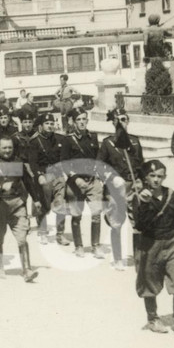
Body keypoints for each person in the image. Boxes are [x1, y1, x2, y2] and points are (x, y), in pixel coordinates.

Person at [130, 161, 174, 336]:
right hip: (150, 245)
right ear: (145, 178)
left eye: (160, 176)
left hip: (171, 242)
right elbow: (141, 225)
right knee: (149, 283)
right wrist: (144, 204)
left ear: (164, 177)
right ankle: (152, 319)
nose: (156, 180)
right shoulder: (138, 197)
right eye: (152, 176)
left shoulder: (172, 195)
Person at [0, 136, 39, 282]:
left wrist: (36, 199)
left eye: (10, 147)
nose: (8, 150)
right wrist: (0, 187)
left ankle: (27, 269)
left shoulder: (18, 162)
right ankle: (0, 267)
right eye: (4, 148)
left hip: (17, 204)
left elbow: (28, 181)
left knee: (22, 238)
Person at [97, 112, 144, 271]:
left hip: (133, 187)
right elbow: (99, 166)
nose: (120, 123)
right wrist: (111, 177)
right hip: (115, 188)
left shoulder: (135, 142)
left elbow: (141, 164)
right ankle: (117, 259)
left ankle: (138, 261)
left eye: (123, 120)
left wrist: (141, 181)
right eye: (117, 120)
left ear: (128, 122)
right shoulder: (108, 143)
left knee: (138, 224)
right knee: (117, 224)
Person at [60, 109, 103, 258]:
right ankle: (79, 246)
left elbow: (97, 158)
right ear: (73, 121)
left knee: (96, 214)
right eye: (78, 119)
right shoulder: (68, 140)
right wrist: (76, 179)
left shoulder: (93, 137)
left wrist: (99, 176)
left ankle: (96, 245)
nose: (82, 122)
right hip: (75, 183)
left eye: (84, 119)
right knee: (76, 215)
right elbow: (64, 164)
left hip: (92, 182)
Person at [28, 112, 68, 245]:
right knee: (44, 207)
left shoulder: (60, 139)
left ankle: (60, 234)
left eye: (52, 123)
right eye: (47, 124)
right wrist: (39, 175)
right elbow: (33, 162)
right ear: (41, 126)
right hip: (44, 176)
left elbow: (64, 158)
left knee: (61, 205)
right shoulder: (35, 141)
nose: (50, 126)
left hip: (58, 175)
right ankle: (43, 232)